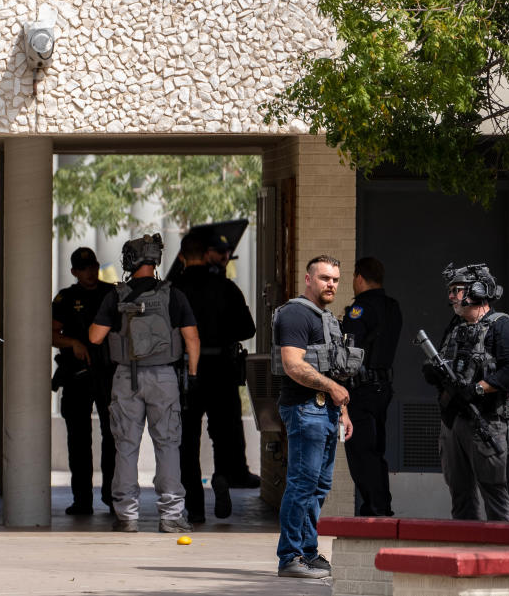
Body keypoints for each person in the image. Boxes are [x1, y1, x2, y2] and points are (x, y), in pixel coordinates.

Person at [89, 233, 200, 534]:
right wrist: (191, 374)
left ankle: (127, 516)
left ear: (130, 259)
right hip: (164, 377)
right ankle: (172, 515)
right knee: (168, 446)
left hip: (126, 376)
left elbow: (95, 337)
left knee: (125, 447)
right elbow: (192, 338)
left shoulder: (116, 295)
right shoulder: (173, 295)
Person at [272, 255, 358, 579]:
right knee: (302, 484)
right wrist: (333, 389)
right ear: (308, 279)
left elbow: (334, 368)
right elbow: (293, 365)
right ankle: (290, 556)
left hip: (326, 411)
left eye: (335, 279)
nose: (331, 284)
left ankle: (308, 552)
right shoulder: (296, 314)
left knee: (319, 487)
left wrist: (343, 411)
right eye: (324, 278)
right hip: (305, 410)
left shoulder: (328, 318)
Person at [423, 262, 509, 522]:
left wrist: (477, 389)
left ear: (477, 291)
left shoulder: (502, 326)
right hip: (453, 421)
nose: (452, 297)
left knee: (494, 492)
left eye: (457, 290)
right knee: (460, 492)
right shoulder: (456, 326)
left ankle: (505, 555)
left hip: (485, 422)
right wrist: (434, 374)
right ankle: (465, 550)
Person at [171, 232, 258, 524]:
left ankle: (195, 506)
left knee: (187, 439)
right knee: (223, 434)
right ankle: (221, 476)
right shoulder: (226, 287)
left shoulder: (173, 290)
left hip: (186, 372)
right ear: (207, 255)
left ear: (182, 256)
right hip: (222, 369)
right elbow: (248, 329)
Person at [52, 247, 116, 515]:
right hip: (77, 375)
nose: (90, 272)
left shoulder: (111, 293)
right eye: (84, 268)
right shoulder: (66, 298)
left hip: (109, 374)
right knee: (78, 440)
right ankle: (82, 499)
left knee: (113, 436)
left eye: (93, 266)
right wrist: (74, 343)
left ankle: (113, 496)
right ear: (74, 272)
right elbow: (50, 333)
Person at [341, 257, 401, 517]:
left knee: (360, 450)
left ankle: (376, 506)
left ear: (359, 278)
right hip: (382, 387)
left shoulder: (360, 309)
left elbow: (348, 350)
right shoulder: (392, 307)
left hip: (361, 389)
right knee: (376, 449)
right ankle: (378, 503)